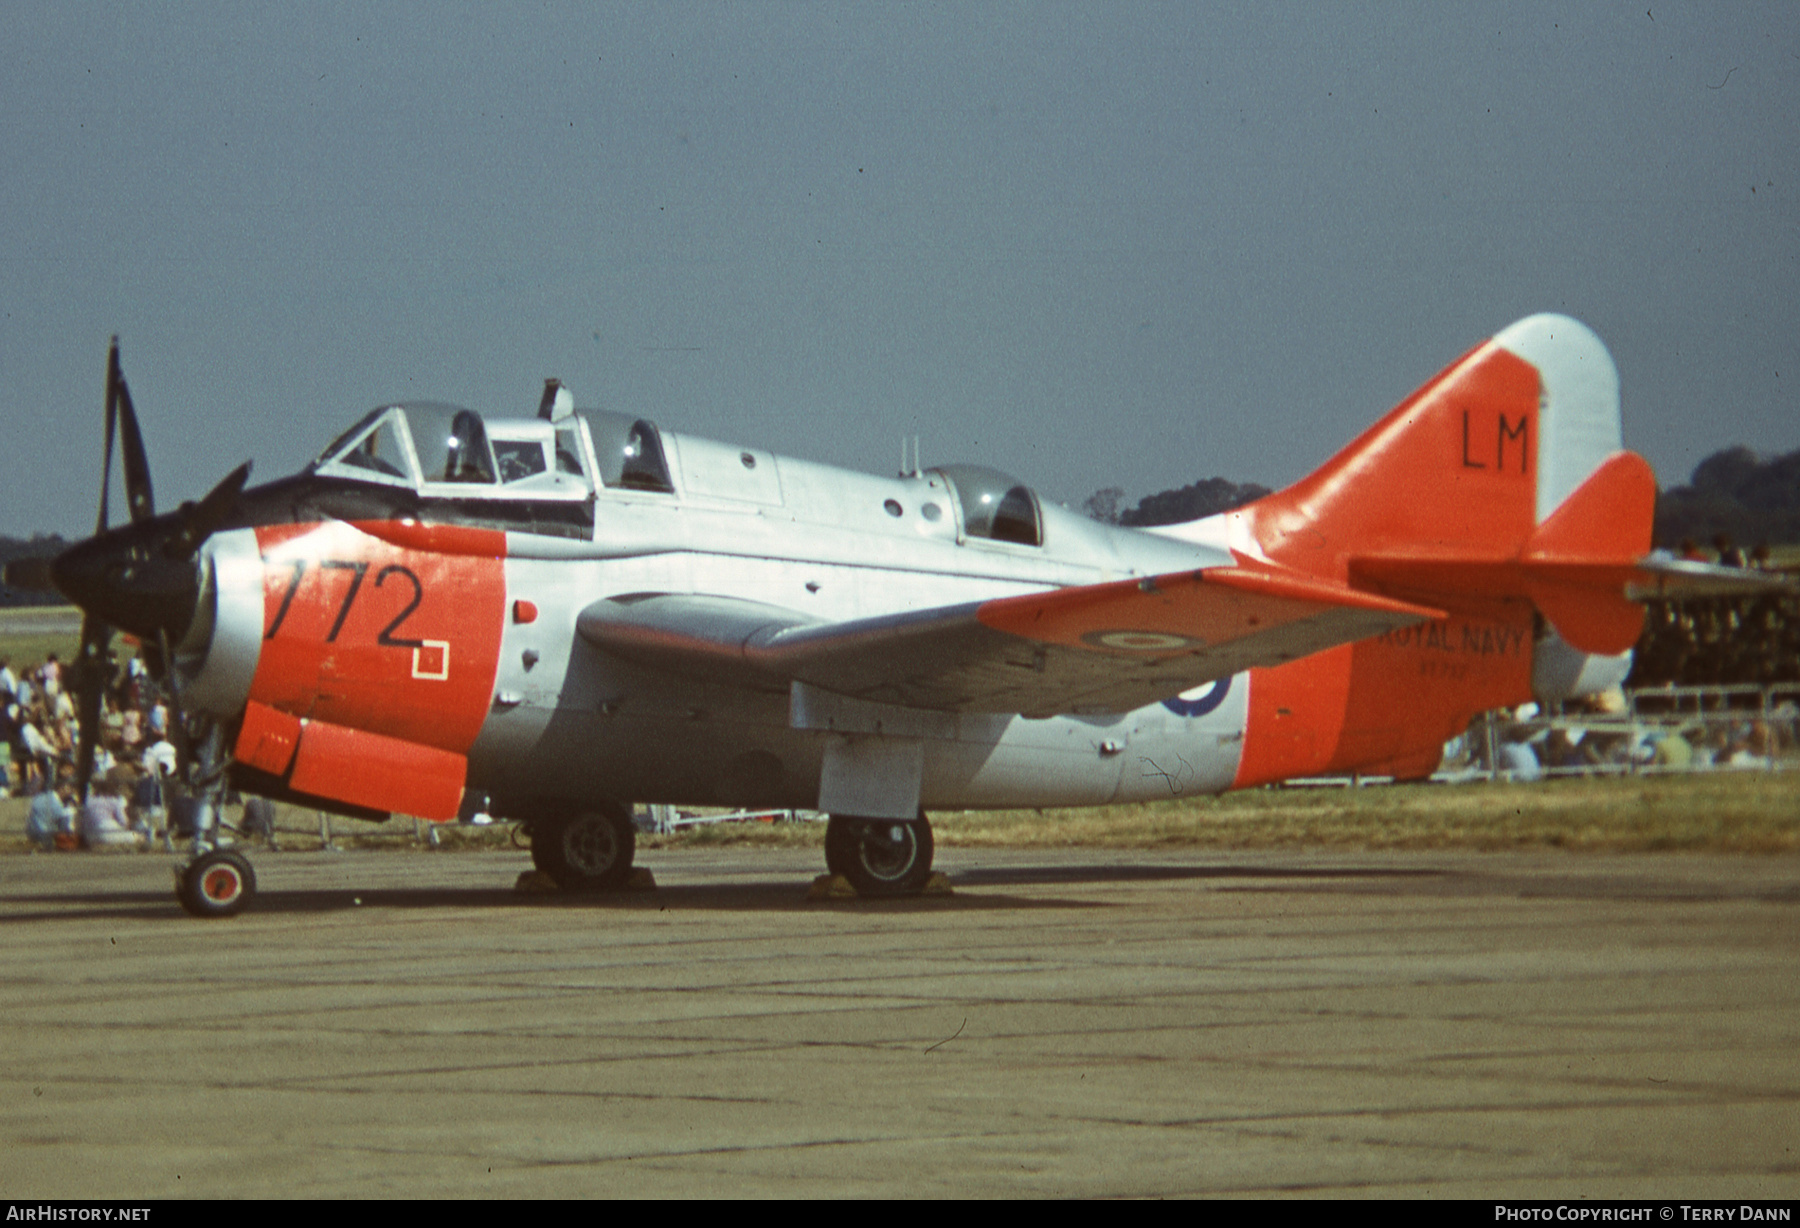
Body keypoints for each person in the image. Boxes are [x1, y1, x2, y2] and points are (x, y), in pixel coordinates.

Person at [26, 781, 76, 850]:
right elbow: (63, 820)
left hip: (31, 830)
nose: (70, 792)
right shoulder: (54, 802)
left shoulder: (41, 796)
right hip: (44, 832)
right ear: (61, 789)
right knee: (68, 815)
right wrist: (71, 809)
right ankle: (64, 843)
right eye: (69, 789)